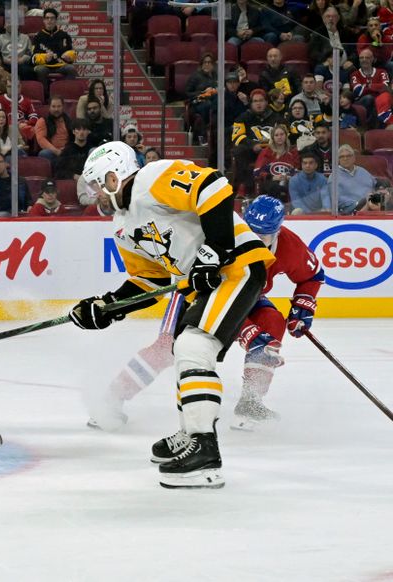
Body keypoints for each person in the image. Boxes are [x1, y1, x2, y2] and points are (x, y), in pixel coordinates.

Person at [69, 141, 273, 489]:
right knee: (183, 349)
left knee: (194, 347)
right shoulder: (123, 225)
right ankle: (191, 431)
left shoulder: (152, 177)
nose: (95, 195)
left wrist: (217, 250)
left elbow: (213, 187)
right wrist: (107, 307)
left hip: (237, 267)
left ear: (113, 176)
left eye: (96, 185)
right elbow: (151, 280)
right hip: (209, 283)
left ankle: (204, 451)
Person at [84, 195, 322, 435]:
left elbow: (312, 275)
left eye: (264, 236)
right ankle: (112, 399)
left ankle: (251, 402)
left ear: (278, 232)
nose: (256, 239)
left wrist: (304, 304)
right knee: (166, 349)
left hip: (246, 295)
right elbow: (215, 300)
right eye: (251, 231)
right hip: (197, 295)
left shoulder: (289, 246)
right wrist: (245, 330)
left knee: (272, 324)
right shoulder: (224, 237)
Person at [31, 7, 76, 92]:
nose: (49, 20)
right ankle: (45, 95)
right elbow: (33, 57)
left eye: (52, 18)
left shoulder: (64, 35)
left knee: (71, 68)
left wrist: (69, 56)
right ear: (43, 20)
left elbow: (72, 52)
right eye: (47, 18)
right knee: (40, 70)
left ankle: (66, 92)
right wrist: (44, 57)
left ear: (56, 20)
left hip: (61, 65)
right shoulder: (38, 36)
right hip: (45, 65)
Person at [253, 124, 300, 201]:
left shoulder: (292, 152)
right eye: (276, 135)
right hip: (269, 182)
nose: (279, 137)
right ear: (273, 138)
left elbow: (297, 170)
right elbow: (257, 172)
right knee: (274, 187)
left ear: (286, 136)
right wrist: (272, 177)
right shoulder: (266, 152)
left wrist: (288, 177)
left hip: (287, 181)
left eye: (282, 134)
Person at [328, 144, 376, 214]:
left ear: (354, 158)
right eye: (342, 157)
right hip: (351, 211)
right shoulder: (333, 177)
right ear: (338, 160)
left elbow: (375, 183)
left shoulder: (362, 171)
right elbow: (337, 200)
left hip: (372, 205)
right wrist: (358, 204)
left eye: (348, 156)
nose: (345, 158)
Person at [35, 97, 71, 162]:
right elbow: (41, 140)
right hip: (52, 151)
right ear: (49, 107)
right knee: (44, 153)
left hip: (66, 150)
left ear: (63, 107)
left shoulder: (68, 120)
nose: (56, 109)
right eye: (53, 106)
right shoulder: (42, 121)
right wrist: (56, 151)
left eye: (59, 106)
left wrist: (67, 149)